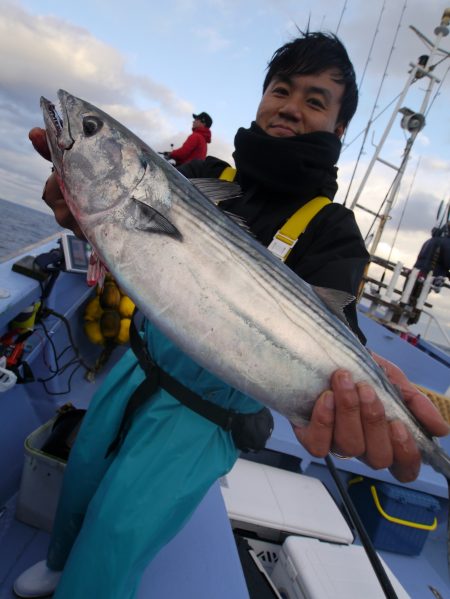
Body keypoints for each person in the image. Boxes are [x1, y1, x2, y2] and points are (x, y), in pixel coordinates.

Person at [14, 31, 448, 599]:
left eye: (315, 101)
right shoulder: (206, 175)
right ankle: (57, 560)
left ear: (340, 129)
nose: (290, 107)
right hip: (132, 370)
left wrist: (353, 391)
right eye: (281, 90)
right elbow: (146, 257)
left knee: (121, 531)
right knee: (83, 474)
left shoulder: (332, 231)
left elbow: (334, 330)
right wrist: (88, 221)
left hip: (201, 418)